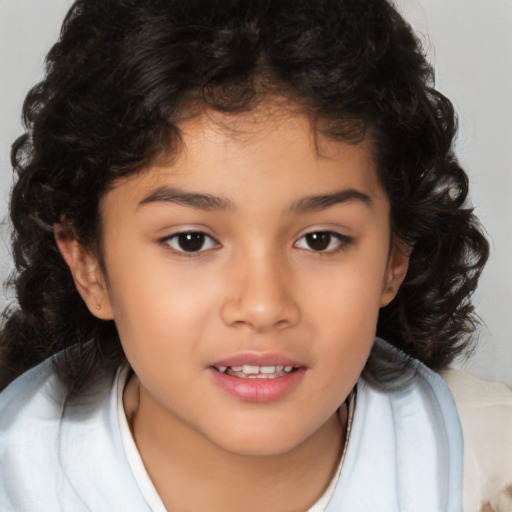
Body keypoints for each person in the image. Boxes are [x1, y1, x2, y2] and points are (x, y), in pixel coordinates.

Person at [0, 0, 510, 510]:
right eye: (191, 240)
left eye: (320, 239)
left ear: (395, 257)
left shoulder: (489, 472)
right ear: (90, 266)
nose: (263, 307)